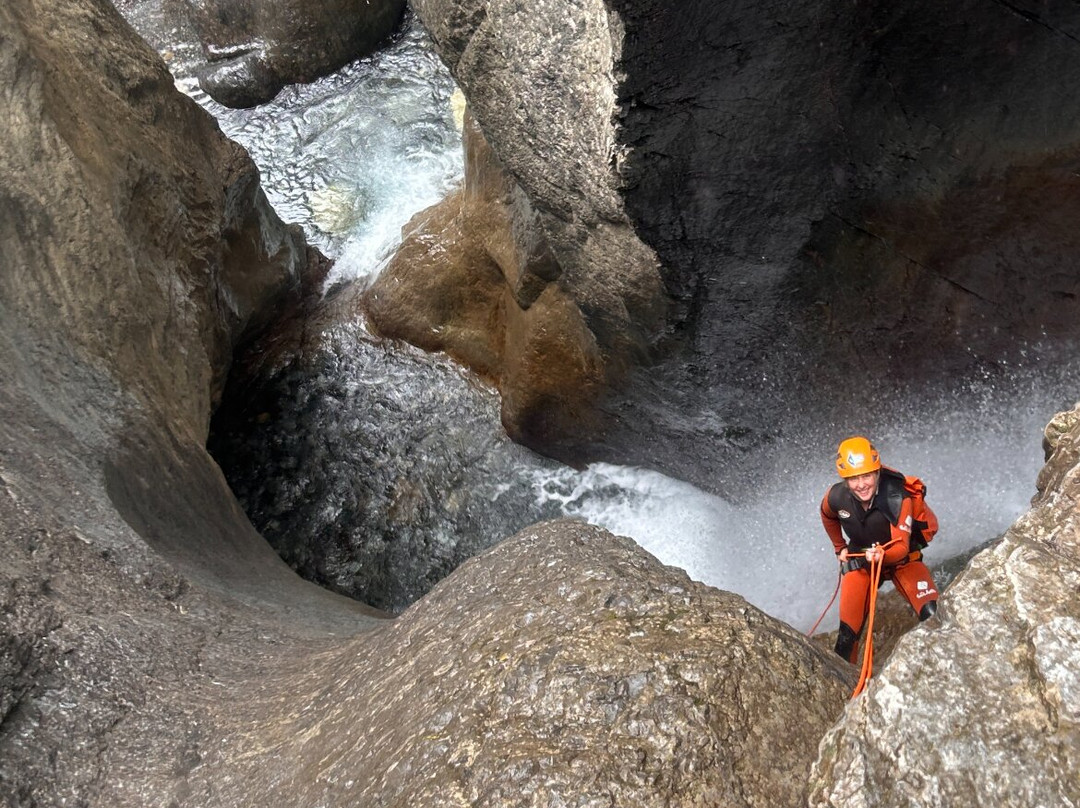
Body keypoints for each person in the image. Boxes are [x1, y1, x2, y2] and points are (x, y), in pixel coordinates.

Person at [819, 436, 940, 663]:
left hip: (902, 561)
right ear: (845, 479)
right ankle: (846, 682)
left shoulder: (897, 497)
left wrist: (882, 555)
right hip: (862, 562)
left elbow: (901, 547)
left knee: (934, 615)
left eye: (866, 476)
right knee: (846, 637)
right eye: (853, 478)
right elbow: (827, 515)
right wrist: (839, 547)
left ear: (877, 472)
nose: (861, 484)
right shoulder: (836, 496)